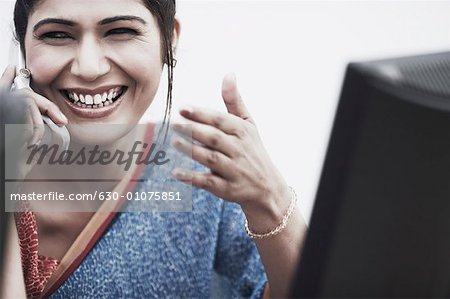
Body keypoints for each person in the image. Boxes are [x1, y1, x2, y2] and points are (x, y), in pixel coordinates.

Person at [0, 0, 307, 298]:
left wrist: (270, 201)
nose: (89, 68)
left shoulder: (205, 172)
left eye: (121, 31)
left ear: (169, 40)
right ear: (22, 50)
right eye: (56, 34)